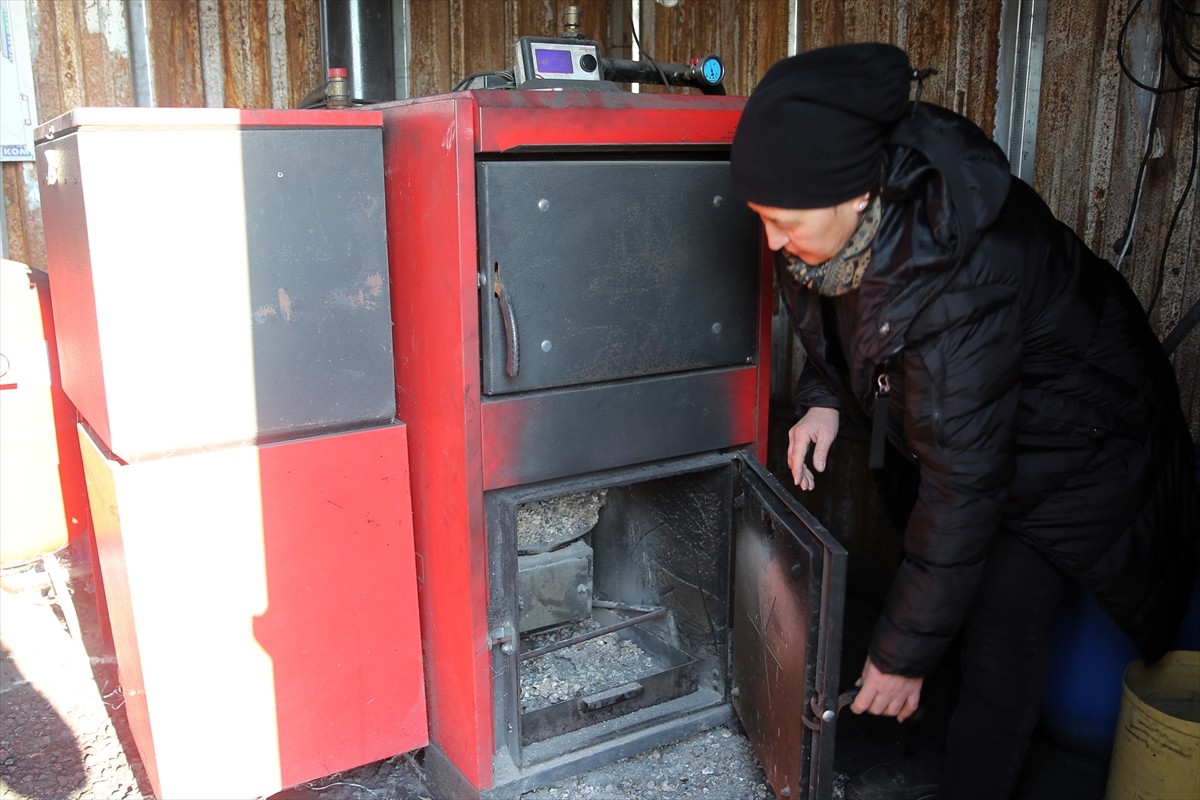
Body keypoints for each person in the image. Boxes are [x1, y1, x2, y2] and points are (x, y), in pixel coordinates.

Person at [729, 43, 1199, 800]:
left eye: (783, 220)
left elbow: (966, 487)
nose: (773, 241)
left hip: (1079, 447)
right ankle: (929, 746)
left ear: (858, 196)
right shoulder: (849, 233)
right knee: (946, 612)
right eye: (761, 219)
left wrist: (901, 654)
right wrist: (822, 400)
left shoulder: (961, 279)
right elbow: (848, 327)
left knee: (1003, 634)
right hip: (989, 432)